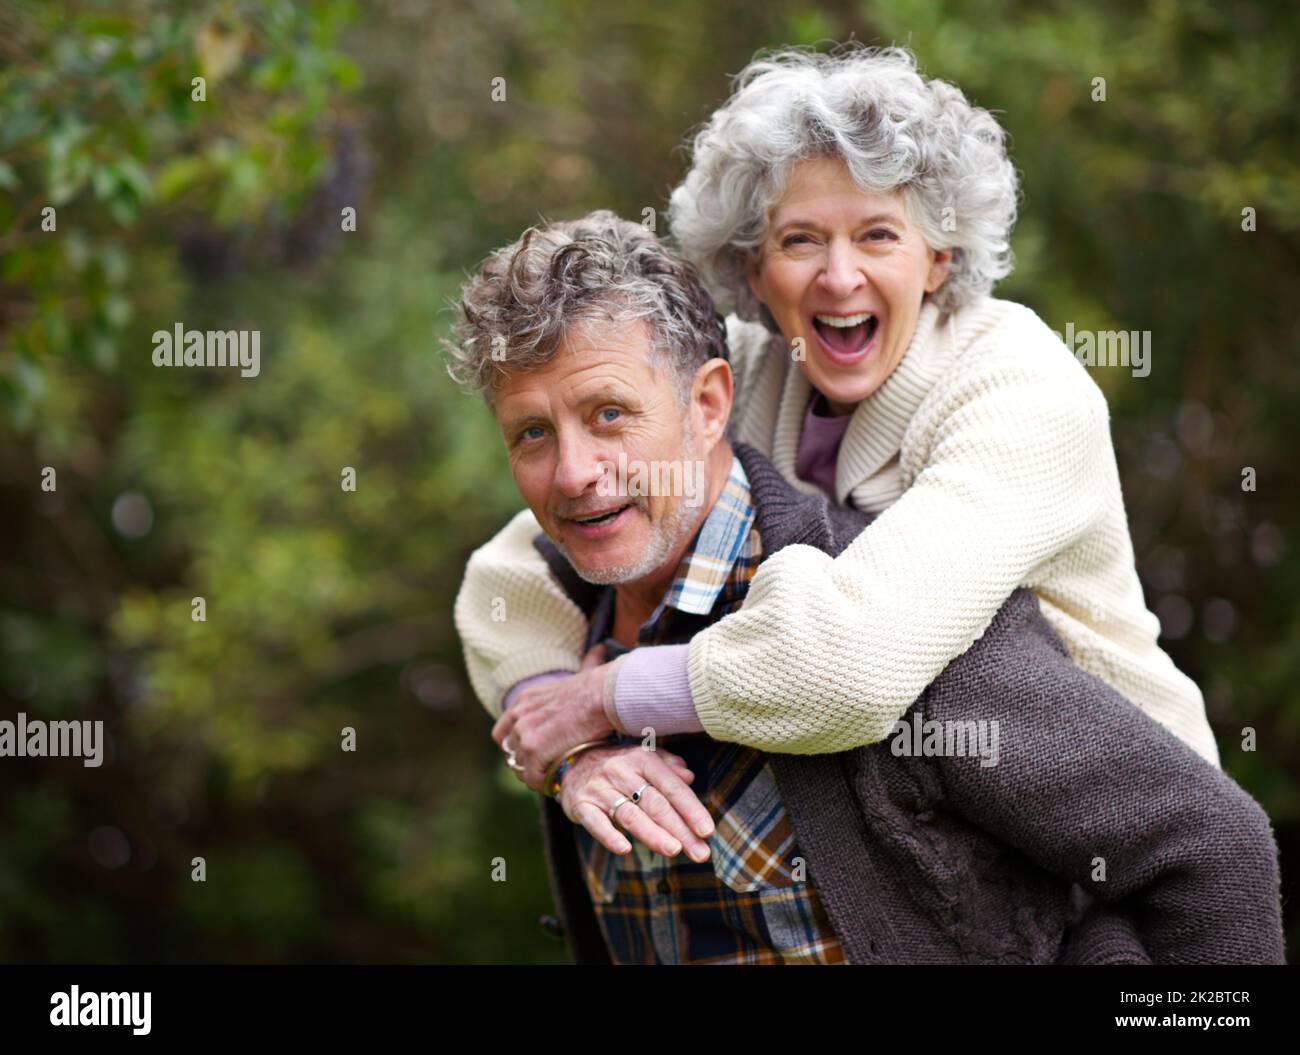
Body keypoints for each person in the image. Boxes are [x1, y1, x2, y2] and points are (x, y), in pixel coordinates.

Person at [443, 212, 1283, 964]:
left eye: (610, 414)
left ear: (708, 405)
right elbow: (498, 586)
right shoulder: (567, 618)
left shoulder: (899, 624)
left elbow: (1214, 847)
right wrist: (576, 741)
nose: (577, 474)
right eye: (532, 433)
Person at [453, 44, 1221, 791]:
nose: (840, 275)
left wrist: (601, 695)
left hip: (1126, 829)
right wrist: (552, 718)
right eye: (801, 240)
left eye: (878, 235)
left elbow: (855, 664)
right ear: (752, 267)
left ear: (939, 257)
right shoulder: (748, 369)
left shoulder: (1020, 384)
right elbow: (516, 570)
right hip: (949, 834)